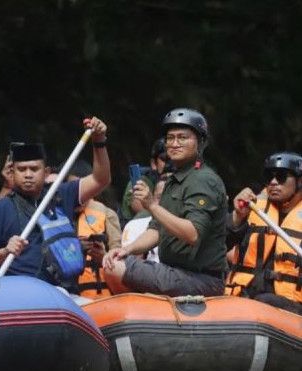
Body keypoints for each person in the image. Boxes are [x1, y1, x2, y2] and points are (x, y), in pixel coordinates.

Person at [0, 117, 111, 289]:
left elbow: (101, 179)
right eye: (22, 169)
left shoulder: (62, 193)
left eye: (34, 169)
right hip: (20, 294)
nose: (28, 174)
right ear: (12, 172)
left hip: (63, 293)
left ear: (46, 172)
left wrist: (98, 141)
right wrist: (5, 251)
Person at [103, 108, 228, 297]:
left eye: (182, 138)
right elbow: (156, 231)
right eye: (170, 138)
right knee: (115, 261)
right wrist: (126, 249)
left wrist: (152, 205)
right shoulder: (174, 180)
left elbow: (192, 233)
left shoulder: (204, 180)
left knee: (117, 268)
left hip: (200, 279)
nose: (174, 144)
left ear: (200, 142)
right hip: (175, 272)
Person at [225, 152, 302, 314]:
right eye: (269, 177)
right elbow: (218, 245)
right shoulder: (252, 208)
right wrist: (237, 217)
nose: (273, 183)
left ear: (300, 181)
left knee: (265, 301)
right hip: (242, 296)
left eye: (281, 177)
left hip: (290, 305)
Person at [59, 160, 121, 298]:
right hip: (66, 294)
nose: (80, 195)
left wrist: (104, 256)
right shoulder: (56, 216)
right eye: (74, 190)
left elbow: (119, 255)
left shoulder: (107, 214)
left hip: (100, 295)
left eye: (84, 188)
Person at [118, 137, 169, 226]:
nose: (170, 164)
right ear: (154, 163)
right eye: (165, 159)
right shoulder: (140, 181)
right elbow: (144, 213)